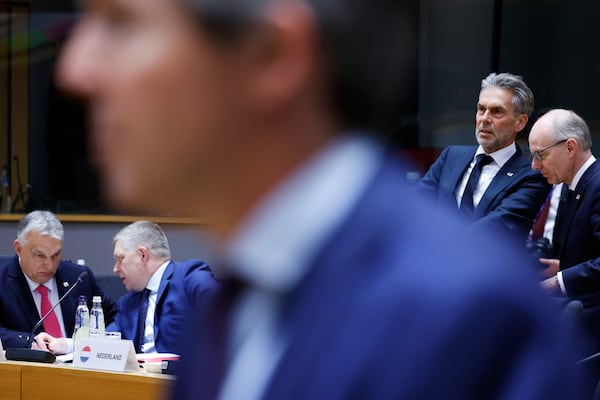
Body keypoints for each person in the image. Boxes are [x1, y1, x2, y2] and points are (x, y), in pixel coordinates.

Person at [56, 0, 584, 399]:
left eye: (122, 24)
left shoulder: (471, 316)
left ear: (272, 55)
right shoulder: (239, 295)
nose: (74, 69)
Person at [418, 72, 551, 241]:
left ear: (520, 122)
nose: (485, 119)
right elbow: (416, 204)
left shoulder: (532, 174)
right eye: (481, 109)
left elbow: (497, 229)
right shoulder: (451, 156)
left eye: (497, 112)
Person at [529, 109, 600, 349]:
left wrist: (558, 282)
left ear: (570, 148)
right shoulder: (575, 186)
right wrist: (564, 267)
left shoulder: (597, 185)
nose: (534, 166)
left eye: (540, 155)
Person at [0, 210, 117, 355]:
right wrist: (29, 341)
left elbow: (116, 319)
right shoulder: (3, 281)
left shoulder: (79, 277)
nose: (49, 265)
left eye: (55, 255)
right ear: (18, 248)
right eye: (39, 255)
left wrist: (78, 343)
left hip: (81, 368)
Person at [106, 220, 219, 354]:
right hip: (138, 374)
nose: (115, 269)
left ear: (142, 255)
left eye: (120, 259)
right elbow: (105, 344)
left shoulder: (189, 277)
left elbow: (228, 310)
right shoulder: (127, 303)